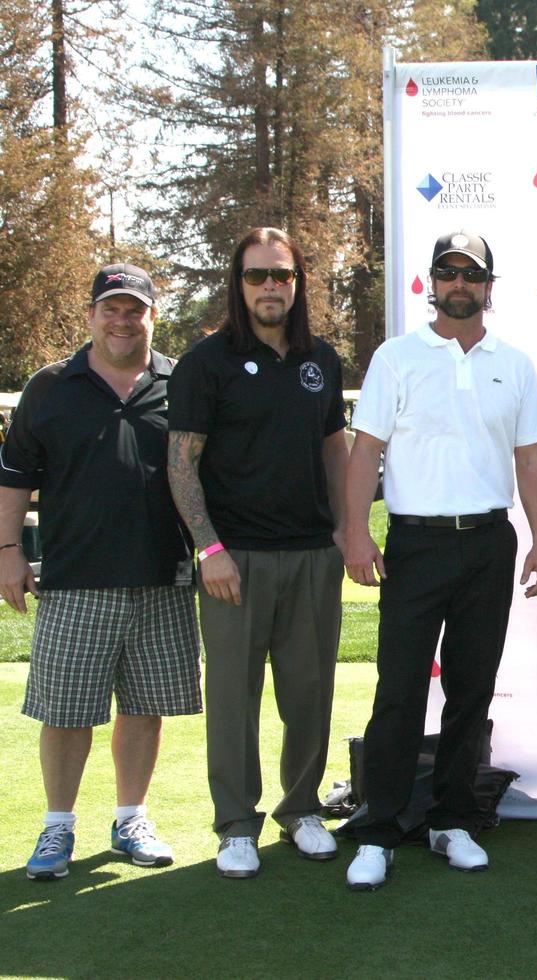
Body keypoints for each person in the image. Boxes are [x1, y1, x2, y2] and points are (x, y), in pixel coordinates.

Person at [339, 230, 537, 890]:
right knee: (399, 688)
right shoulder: (396, 357)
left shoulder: (513, 364)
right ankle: (378, 829)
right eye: (448, 272)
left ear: (490, 285)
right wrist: (354, 531)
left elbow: (529, 459)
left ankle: (453, 820)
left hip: (489, 542)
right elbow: (365, 449)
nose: (459, 284)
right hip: (416, 542)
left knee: (471, 688)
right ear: (430, 283)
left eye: (472, 274)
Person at [1, 264, 201, 881]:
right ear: (91, 315)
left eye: (133, 309)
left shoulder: (181, 381)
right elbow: (13, 476)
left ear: (151, 316)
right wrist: (7, 549)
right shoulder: (51, 385)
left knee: (144, 708)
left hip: (162, 577)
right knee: (66, 713)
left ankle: (130, 818)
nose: (121, 320)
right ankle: (57, 827)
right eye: (110, 308)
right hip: (74, 579)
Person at [167, 227, 349, 878]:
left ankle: (301, 809)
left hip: (310, 556)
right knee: (233, 697)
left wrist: (343, 531)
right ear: (237, 284)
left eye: (281, 275)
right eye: (256, 276)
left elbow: (335, 448)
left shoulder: (321, 361)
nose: (269, 287)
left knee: (308, 693)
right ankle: (236, 824)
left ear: (298, 283)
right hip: (232, 559)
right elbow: (182, 463)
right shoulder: (205, 362)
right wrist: (208, 546)